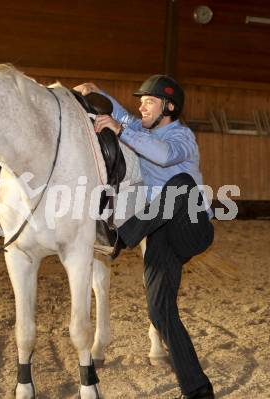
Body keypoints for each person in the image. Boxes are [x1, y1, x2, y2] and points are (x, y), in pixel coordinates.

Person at [74, 76, 215, 399]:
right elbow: (121, 115)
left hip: (191, 224)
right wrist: (99, 93)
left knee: (179, 183)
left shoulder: (182, 136)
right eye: (141, 102)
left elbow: (163, 155)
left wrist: (123, 131)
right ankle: (198, 389)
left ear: (169, 107)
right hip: (159, 232)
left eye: (149, 102)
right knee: (160, 311)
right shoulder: (141, 129)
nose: (141, 106)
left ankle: (119, 239)